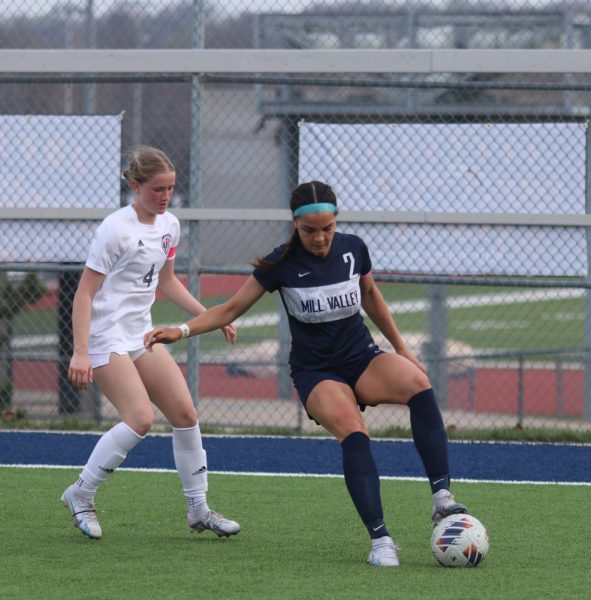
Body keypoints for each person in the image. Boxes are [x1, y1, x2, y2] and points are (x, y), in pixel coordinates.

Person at [145, 180, 467, 566]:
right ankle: (380, 539)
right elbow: (229, 310)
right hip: (317, 371)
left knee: (419, 384)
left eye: (327, 228)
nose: (319, 237)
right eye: (309, 230)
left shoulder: (353, 249)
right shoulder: (281, 263)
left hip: (361, 357)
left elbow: (371, 295)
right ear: (295, 225)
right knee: (354, 433)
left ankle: (442, 498)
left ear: (337, 220)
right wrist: (180, 331)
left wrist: (401, 348)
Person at [62, 146, 240, 540]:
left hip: (140, 333)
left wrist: (212, 317)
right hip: (105, 337)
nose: (165, 197)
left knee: (185, 414)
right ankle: (81, 493)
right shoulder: (115, 229)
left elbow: (167, 282)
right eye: (157, 189)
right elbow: (84, 295)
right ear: (135, 185)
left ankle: (198, 510)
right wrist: (79, 350)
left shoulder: (169, 226)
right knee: (140, 419)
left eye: (171, 189)